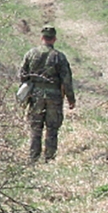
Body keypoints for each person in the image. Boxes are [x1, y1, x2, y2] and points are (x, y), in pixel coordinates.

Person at [19, 24, 75, 163]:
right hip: (54, 96)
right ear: (54, 39)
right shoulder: (59, 57)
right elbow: (66, 80)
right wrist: (71, 99)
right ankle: (49, 158)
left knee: (35, 127)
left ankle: (33, 157)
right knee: (52, 128)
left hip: (35, 96)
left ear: (42, 37)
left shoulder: (31, 54)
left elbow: (22, 75)